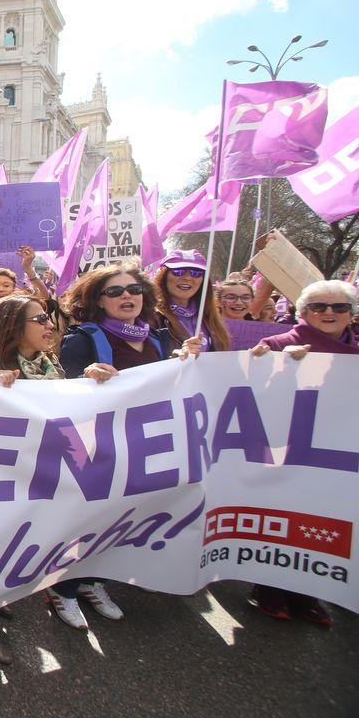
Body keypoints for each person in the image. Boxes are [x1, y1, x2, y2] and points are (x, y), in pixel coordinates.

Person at [54, 264, 195, 629]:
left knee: (124, 517)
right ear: (98, 301)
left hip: (143, 445)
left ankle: (93, 582)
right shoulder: (83, 339)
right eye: (115, 292)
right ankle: (63, 589)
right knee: (88, 519)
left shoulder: (159, 340)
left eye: (133, 289)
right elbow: (59, 392)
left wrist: (188, 364)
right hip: (96, 448)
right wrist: (86, 377)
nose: (127, 296)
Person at [0, 295, 64, 663]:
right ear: (13, 326)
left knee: (20, 546)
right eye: (40, 319)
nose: (50, 325)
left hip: (36, 472)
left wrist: (98, 380)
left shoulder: (48, 363)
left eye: (48, 318)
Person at [248, 279, 357, 627]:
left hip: (337, 454)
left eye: (339, 307)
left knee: (322, 521)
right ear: (303, 312)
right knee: (281, 518)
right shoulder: (278, 344)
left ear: (351, 314)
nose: (329, 313)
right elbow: (250, 390)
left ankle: (307, 592)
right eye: (319, 307)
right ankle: (269, 587)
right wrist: (280, 368)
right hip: (287, 449)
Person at [152, 250, 230, 353]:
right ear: (163, 276)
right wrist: (178, 355)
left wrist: (248, 356)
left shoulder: (210, 316)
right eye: (178, 271)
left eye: (196, 273)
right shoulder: (151, 317)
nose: (187, 278)